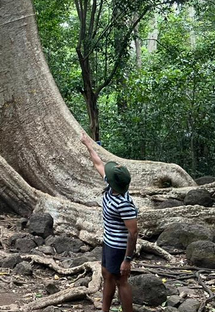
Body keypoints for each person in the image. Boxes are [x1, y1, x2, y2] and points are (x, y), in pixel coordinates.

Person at [81, 131, 138, 312]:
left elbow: (133, 232)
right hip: (109, 242)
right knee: (106, 274)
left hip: (119, 247)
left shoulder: (124, 204)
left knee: (121, 280)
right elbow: (98, 163)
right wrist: (88, 144)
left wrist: (127, 260)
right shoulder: (111, 186)